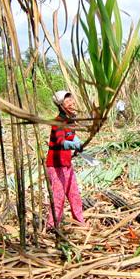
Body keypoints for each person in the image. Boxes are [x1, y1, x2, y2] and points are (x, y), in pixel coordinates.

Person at [46, 90, 87, 230]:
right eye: (67, 102)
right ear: (61, 106)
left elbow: (72, 137)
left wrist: (79, 144)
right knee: (59, 197)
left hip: (66, 164)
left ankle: (79, 222)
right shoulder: (57, 122)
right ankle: (52, 226)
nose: (72, 103)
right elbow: (60, 142)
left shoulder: (71, 121)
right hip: (56, 165)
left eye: (72, 100)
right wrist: (74, 145)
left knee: (74, 194)